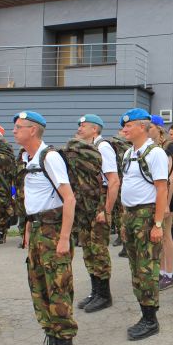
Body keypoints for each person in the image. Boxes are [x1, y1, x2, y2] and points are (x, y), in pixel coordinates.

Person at [14, 111, 78, 345]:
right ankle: (51, 339)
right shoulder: (26, 158)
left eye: (19, 127)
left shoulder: (49, 157)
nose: (14, 131)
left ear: (33, 130)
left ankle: (66, 344)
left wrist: (64, 238)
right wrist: (28, 228)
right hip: (37, 228)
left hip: (53, 232)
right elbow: (32, 198)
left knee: (58, 287)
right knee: (39, 287)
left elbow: (69, 199)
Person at [119, 108, 169, 340]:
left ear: (142, 127)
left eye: (129, 126)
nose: (125, 129)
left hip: (146, 216)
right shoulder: (129, 153)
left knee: (147, 268)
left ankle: (151, 319)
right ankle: (144, 313)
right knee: (136, 268)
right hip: (130, 216)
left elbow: (161, 188)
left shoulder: (155, 152)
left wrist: (157, 224)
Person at [75, 114, 120, 313]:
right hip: (86, 202)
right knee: (88, 248)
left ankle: (104, 294)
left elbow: (113, 180)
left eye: (83, 126)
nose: (79, 128)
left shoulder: (103, 148)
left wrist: (106, 209)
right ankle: (95, 291)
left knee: (98, 248)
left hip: (99, 200)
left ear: (95, 129)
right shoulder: (87, 148)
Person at [148, 116, 173, 290]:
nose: (147, 130)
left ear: (159, 128)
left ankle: (169, 274)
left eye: (150, 127)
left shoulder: (168, 146)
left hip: (166, 195)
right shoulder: (153, 147)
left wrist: (166, 203)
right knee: (157, 237)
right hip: (156, 195)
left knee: (166, 234)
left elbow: (171, 178)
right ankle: (160, 271)